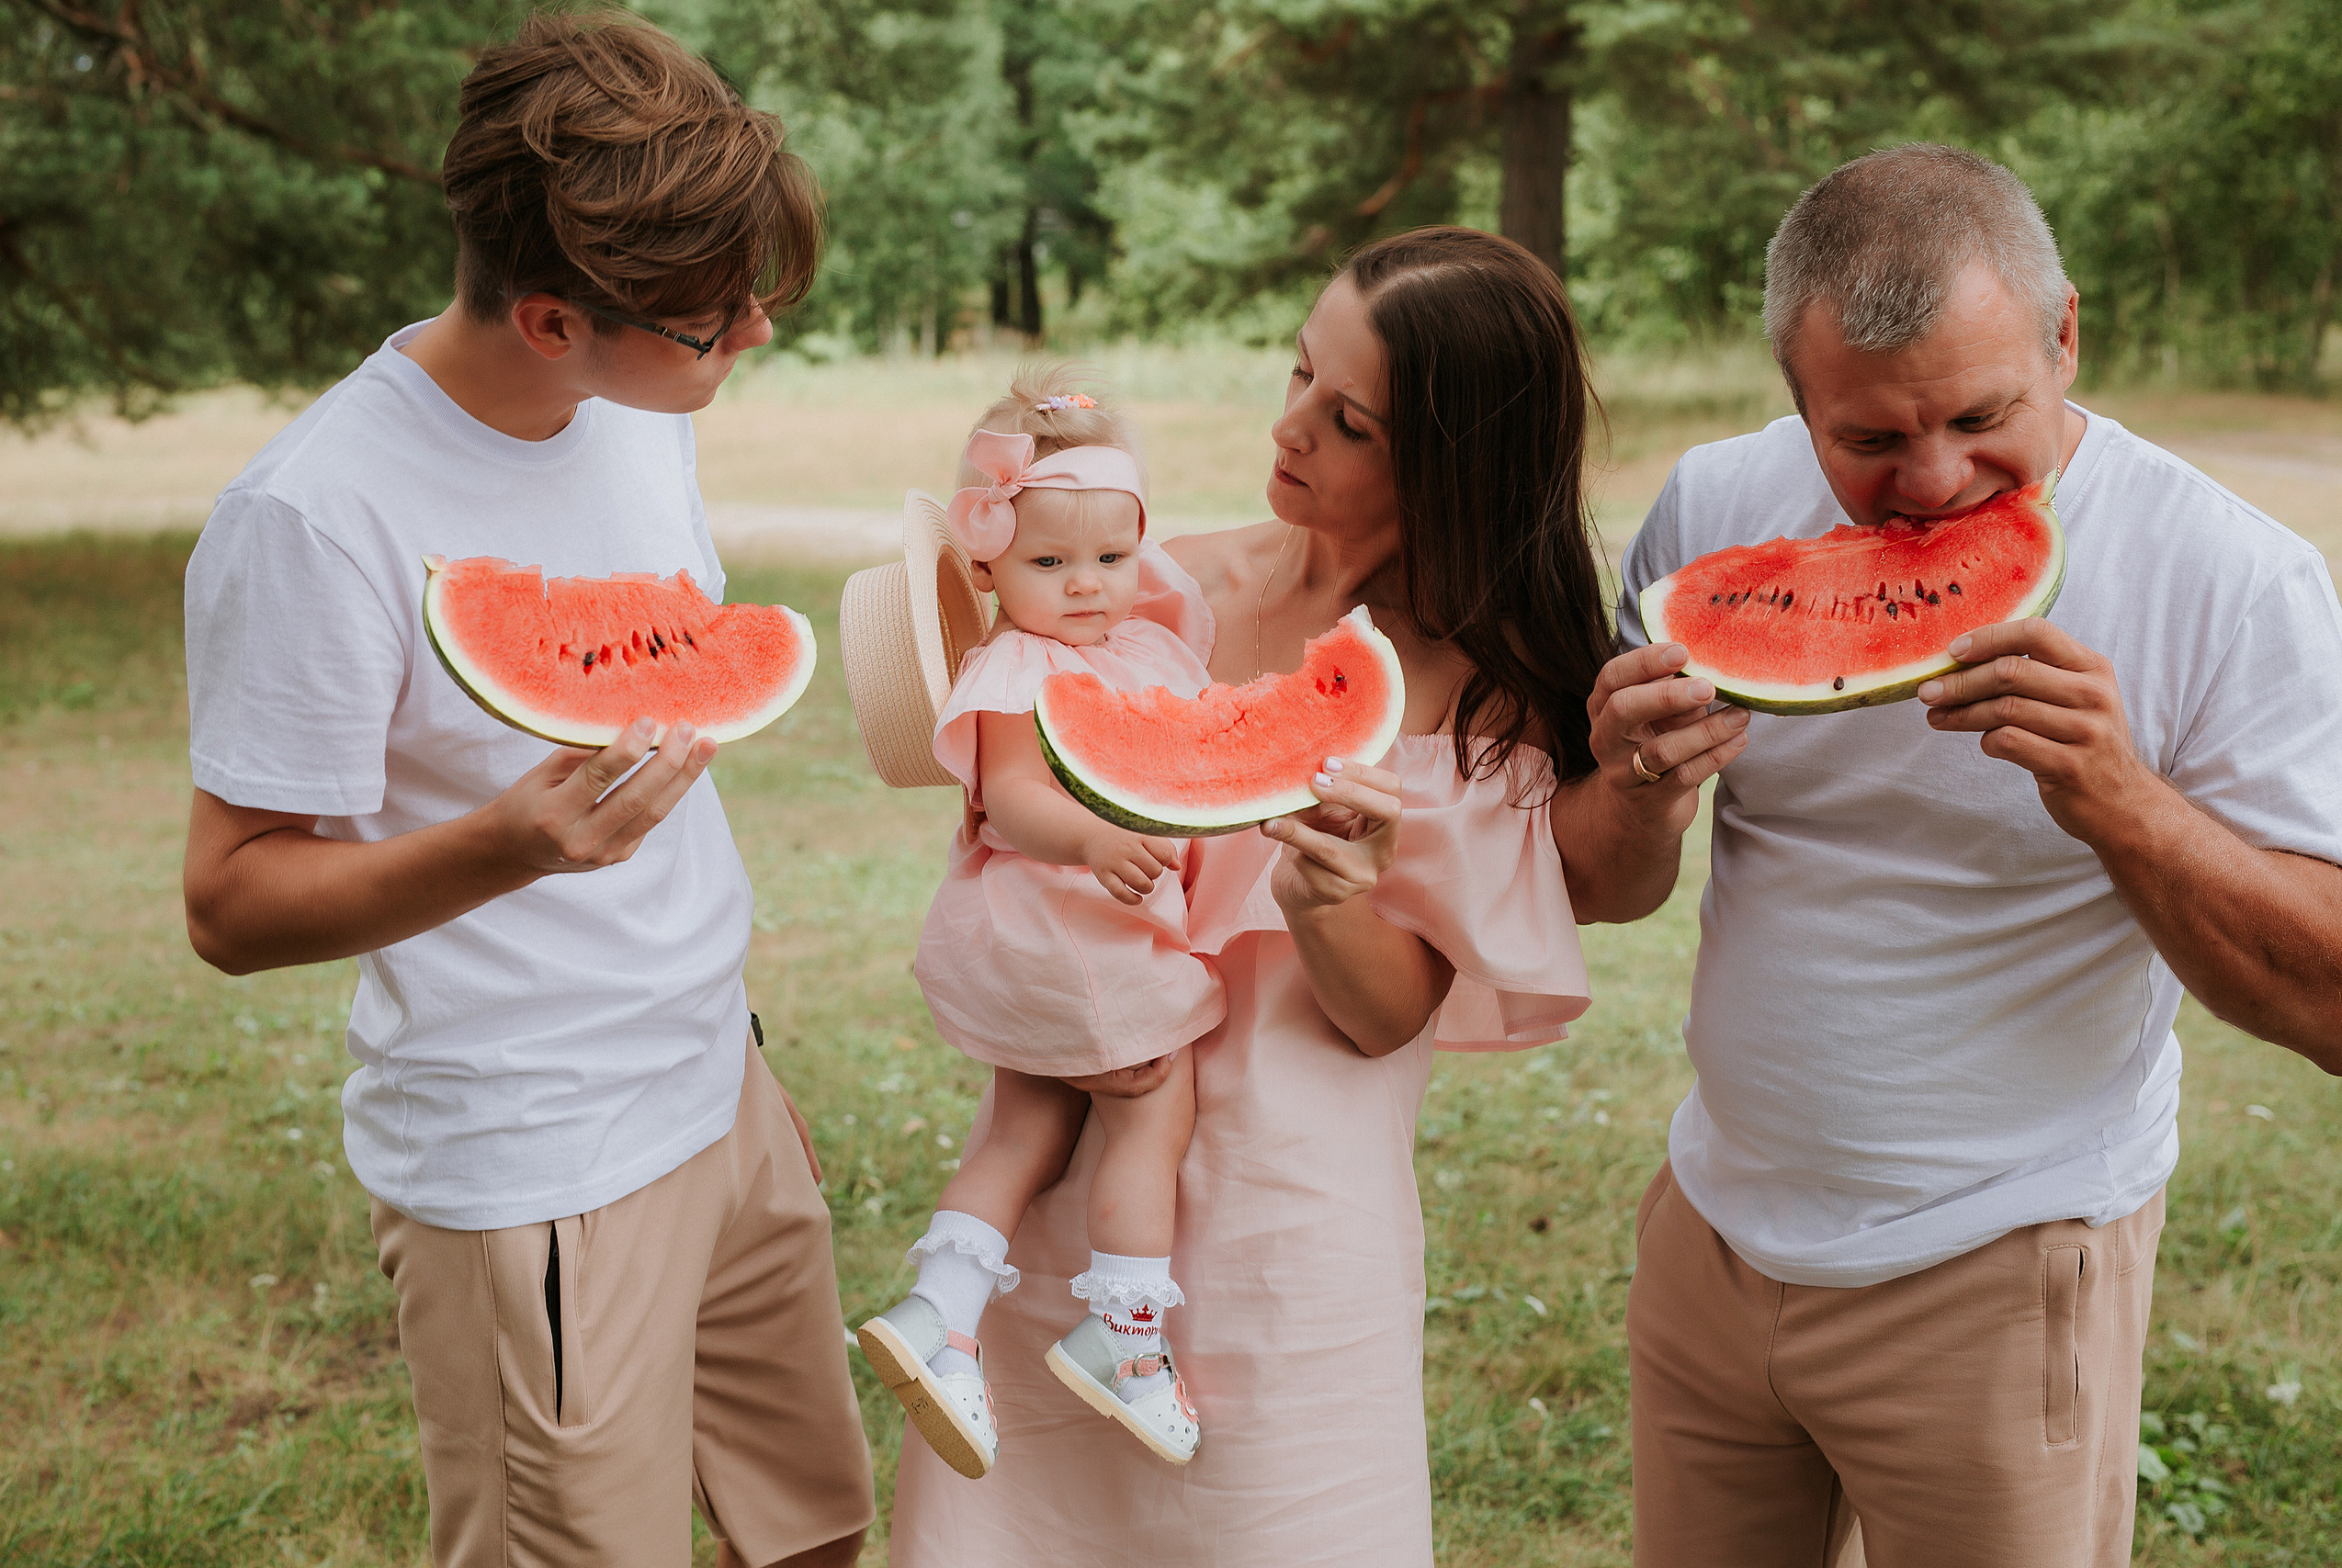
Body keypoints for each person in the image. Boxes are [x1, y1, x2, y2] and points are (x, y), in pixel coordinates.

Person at [886, 227, 1749, 1565]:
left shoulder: (1480, 703)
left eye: (1344, 419)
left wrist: (1326, 893)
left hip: (1293, 1242)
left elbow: (1389, 1013)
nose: (1287, 427)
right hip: (1070, 1196)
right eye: (1299, 371)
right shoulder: (1146, 593)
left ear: (1446, 462)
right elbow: (973, 733)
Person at [178, 14, 875, 1567]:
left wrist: (745, 1076)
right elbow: (228, 902)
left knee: (813, 1528)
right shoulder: (312, 515)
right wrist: (504, 847)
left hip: (720, 1095)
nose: (751, 335)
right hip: (537, 1154)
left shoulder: (634, 413)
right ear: (554, 318)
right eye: (712, 321)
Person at [1615, 142, 2342, 1567]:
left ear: (2064, 333)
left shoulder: (2234, 576)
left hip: (2000, 1264)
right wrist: (1635, 789)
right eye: (1869, 443)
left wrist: (2122, 799)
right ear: (1795, 394)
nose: (1936, 483)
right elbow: (1613, 884)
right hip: (1715, 1227)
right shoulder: (1710, 508)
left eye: (1981, 414)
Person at [856, 372, 1215, 1477]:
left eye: (1110, 559)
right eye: (1047, 565)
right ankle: (1126, 1336)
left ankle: (938, 1313)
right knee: (1155, 1107)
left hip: (1042, 940)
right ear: (988, 565)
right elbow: (1013, 799)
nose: (1086, 586)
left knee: (1024, 1129)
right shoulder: (1014, 667)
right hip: (1066, 925)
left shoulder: (1137, 650)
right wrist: (1096, 843)